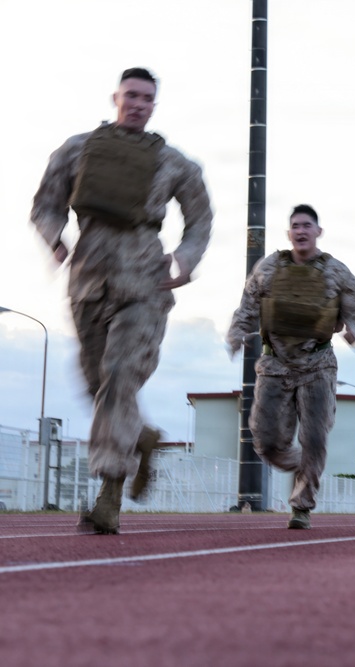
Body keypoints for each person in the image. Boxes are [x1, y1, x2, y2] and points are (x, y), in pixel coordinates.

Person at [30, 67, 213, 535]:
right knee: (96, 384)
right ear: (116, 97)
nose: (138, 104)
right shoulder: (77, 149)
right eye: (131, 95)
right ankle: (143, 437)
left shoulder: (173, 162)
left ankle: (108, 498)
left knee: (118, 377)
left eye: (147, 98)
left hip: (144, 284)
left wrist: (186, 258)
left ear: (154, 105)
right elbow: (45, 204)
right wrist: (55, 238)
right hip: (87, 281)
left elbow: (200, 217)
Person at [227, 204, 355, 529]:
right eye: (295, 226)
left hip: (317, 365)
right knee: (266, 442)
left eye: (307, 225)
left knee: (315, 437)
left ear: (318, 231)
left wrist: (354, 331)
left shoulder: (336, 271)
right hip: (275, 364)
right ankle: (306, 464)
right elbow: (248, 305)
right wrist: (236, 334)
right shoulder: (269, 267)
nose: (301, 231)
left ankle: (302, 506)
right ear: (289, 233)